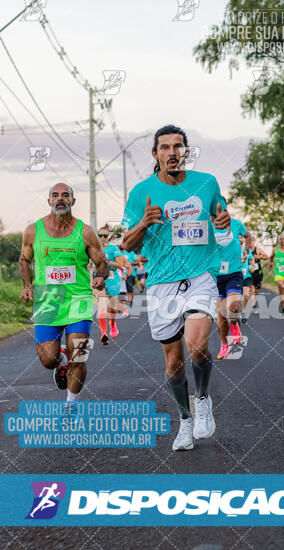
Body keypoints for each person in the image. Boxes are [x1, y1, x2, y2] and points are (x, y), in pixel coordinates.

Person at [122, 124, 230, 451]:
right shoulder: (142, 193)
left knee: (197, 345)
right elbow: (127, 243)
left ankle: (203, 400)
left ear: (186, 151)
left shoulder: (206, 183)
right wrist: (144, 222)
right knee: (174, 364)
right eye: (165, 147)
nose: (172, 152)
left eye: (178, 146)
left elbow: (221, 217)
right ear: (155, 154)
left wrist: (222, 221)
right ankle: (185, 419)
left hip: (199, 277)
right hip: (160, 284)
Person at [19, 183, 109, 412]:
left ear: (73, 201)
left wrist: (100, 276)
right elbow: (24, 259)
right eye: (55, 195)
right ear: (49, 201)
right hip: (47, 302)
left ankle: (71, 406)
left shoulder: (85, 231)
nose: (61, 199)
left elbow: (102, 263)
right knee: (48, 360)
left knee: (78, 355)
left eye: (65, 195)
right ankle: (60, 359)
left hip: (78, 300)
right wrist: (27, 285)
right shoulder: (33, 230)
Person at [213, 217, 251, 358]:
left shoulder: (236, 224)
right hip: (216, 274)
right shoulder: (207, 226)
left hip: (234, 272)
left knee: (233, 306)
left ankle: (234, 323)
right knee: (221, 313)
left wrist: (246, 251)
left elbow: (248, 236)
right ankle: (224, 345)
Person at [94, 225, 132, 345]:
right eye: (100, 235)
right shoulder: (93, 248)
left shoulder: (113, 248)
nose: (102, 238)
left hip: (113, 280)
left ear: (109, 236)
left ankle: (112, 323)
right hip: (99, 281)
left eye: (105, 235)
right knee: (102, 308)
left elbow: (120, 265)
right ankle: (104, 333)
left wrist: (107, 261)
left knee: (113, 308)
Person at [248, 236, 268, 308]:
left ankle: (254, 299)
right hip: (249, 272)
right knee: (252, 288)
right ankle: (253, 305)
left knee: (257, 290)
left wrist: (260, 257)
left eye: (252, 241)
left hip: (258, 272)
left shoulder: (258, 250)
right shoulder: (246, 250)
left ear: (254, 241)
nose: (251, 242)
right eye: (249, 241)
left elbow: (266, 256)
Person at [241, 247, 253, 323]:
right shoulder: (233, 247)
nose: (240, 238)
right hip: (235, 275)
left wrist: (252, 266)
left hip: (246, 276)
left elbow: (252, 259)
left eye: (241, 237)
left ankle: (243, 312)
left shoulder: (247, 249)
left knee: (246, 295)